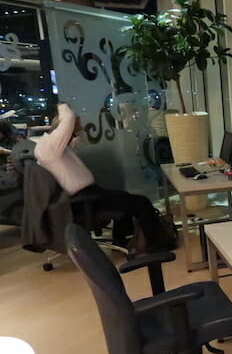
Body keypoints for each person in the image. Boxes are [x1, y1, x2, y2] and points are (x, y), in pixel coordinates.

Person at [34, 103, 168, 252]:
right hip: (82, 201)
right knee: (141, 203)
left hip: (90, 194)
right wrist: (63, 105)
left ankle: (122, 241)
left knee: (127, 198)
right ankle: (156, 246)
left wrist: (76, 131)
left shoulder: (59, 148)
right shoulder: (49, 148)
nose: (79, 126)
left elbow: (82, 139)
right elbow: (69, 117)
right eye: (75, 125)